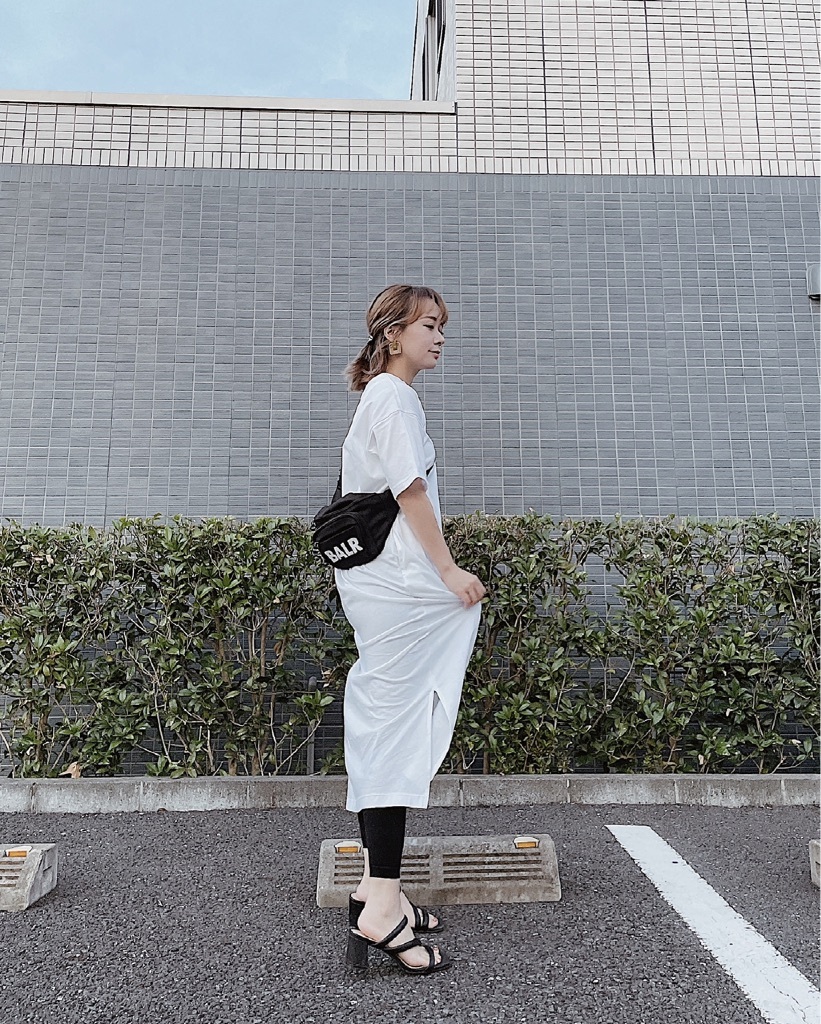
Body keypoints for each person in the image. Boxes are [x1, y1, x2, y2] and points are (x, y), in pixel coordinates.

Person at [335, 284, 486, 976]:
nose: (440, 336)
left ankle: (377, 887)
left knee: (386, 728)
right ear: (393, 334)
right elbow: (410, 491)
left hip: (384, 587)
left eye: (440, 326)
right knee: (395, 735)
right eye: (429, 324)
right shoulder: (392, 397)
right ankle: (381, 908)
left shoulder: (385, 398)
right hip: (397, 589)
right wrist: (448, 571)